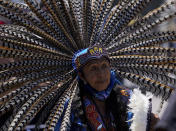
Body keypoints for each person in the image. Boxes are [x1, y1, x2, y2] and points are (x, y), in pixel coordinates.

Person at [0, 0, 175, 131]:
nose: (101, 74)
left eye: (104, 67)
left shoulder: (133, 101)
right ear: (81, 75)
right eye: (93, 69)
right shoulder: (64, 109)